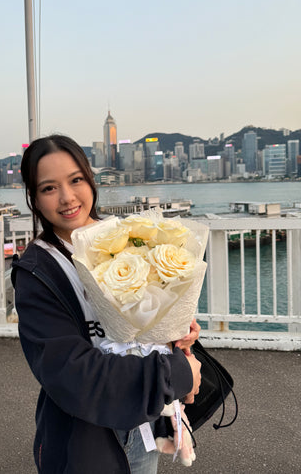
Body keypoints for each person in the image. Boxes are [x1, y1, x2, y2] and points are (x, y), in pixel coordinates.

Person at [12, 134, 201, 474]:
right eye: (49, 188)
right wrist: (175, 374)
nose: (67, 197)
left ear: (90, 179)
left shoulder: (130, 239)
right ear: (34, 199)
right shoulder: (37, 272)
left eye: (76, 180)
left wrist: (177, 332)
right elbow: (73, 375)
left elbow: (149, 315)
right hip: (83, 436)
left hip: (144, 424)